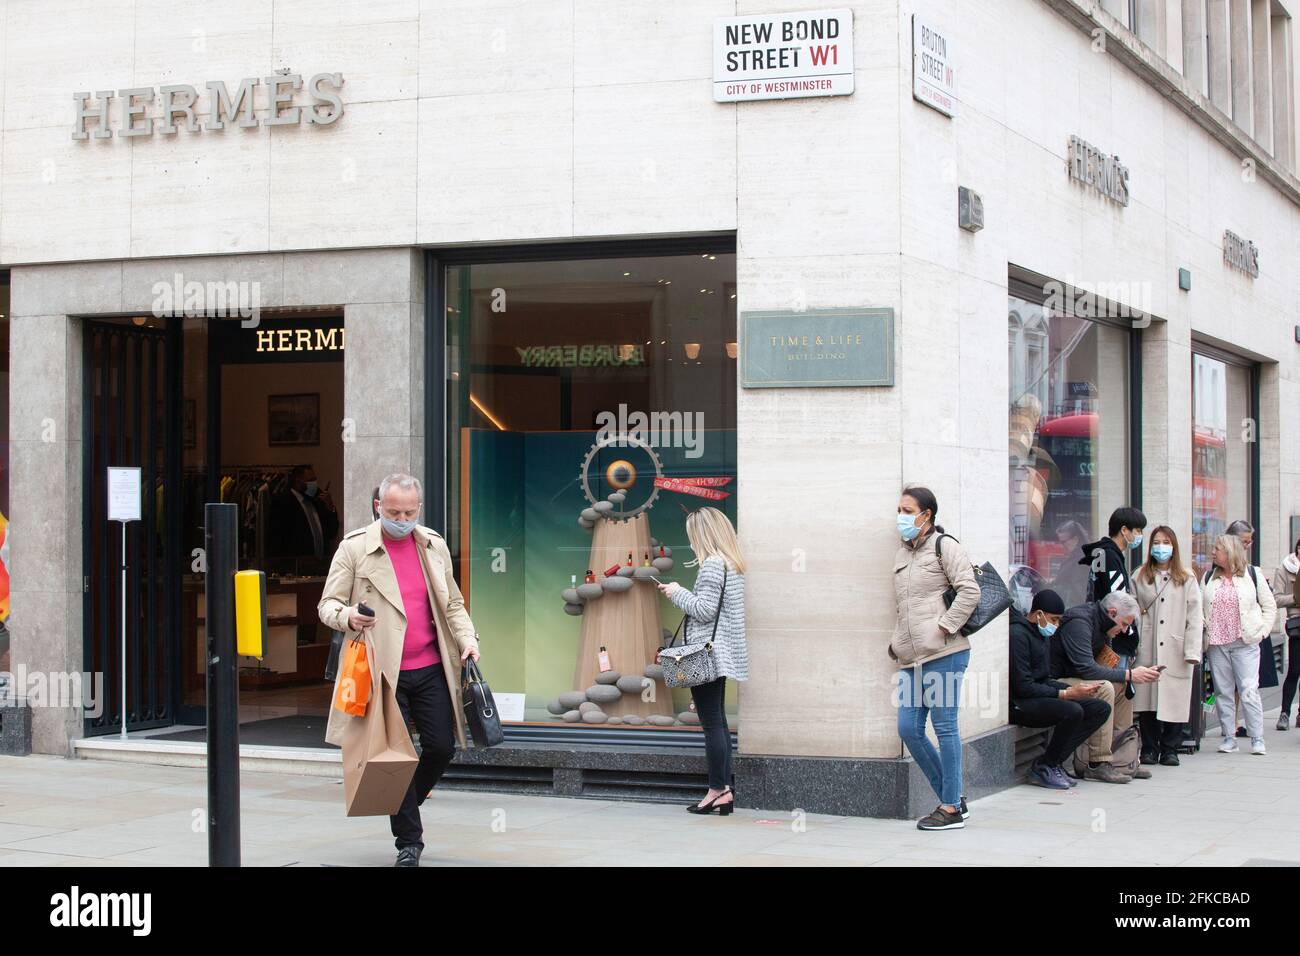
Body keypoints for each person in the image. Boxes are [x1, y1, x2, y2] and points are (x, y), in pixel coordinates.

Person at [318, 473, 481, 867]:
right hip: (380, 672)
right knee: (394, 757)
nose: (402, 518)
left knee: (441, 747)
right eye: (393, 511)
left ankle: (407, 796)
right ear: (379, 506)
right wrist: (349, 615)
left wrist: (468, 640)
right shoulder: (355, 548)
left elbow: (453, 604)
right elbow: (327, 605)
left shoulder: (433, 545)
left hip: (430, 665)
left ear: (418, 509)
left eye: (409, 512)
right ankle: (409, 842)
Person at [890, 487, 981, 830]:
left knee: (944, 728)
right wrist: (896, 642)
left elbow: (970, 590)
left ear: (926, 515)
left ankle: (950, 808)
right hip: (910, 657)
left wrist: (944, 627)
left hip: (945, 653)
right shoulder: (901, 554)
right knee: (908, 729)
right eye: (899, 509)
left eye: (907, 509)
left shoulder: (945, 546)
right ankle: (953, 797)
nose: (901, 515)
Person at [657, 507, 748, 816]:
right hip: (720, 655)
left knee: (711, 725)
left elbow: (705, 610)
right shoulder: (732, 564)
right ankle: (722, 790)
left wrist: (676, 591)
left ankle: (717, 789)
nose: (691, 540)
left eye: (692, 534)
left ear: (702, 534)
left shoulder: (712, 564)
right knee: (718, 723)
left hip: (705, 655)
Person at [1049, 591, 1161, 783]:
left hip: (1076, 677)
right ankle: (1098, 763)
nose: (1125, 630)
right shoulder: (1080, 622)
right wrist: (1130, 673)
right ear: (1112, 612)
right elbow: (1088, 669)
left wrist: (1128, 676)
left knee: (1122, 686)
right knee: (1105, 688)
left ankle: (1123, 759)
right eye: (1124, 624)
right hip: (1055, 681)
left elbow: (1100, 666)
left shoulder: (1103, 625)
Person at [1008, 589, 1110, 790]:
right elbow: (1023, 687)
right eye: (1053, 619)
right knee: (1072, 711)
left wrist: (1075, 689)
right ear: (1039, 615)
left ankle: (1052, 762)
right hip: (1019, 703)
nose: (1055, 625)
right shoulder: (1018, 635)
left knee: (1099, 708)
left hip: (1038, 694)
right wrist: (1064, 694)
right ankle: (1045, 766)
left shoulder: (1042, 635)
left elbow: (1045, 679)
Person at [1132, 527, 1204, 766]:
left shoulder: (1186, 577)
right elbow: (1132, 613)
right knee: (1148, 701)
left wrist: (1193, 650)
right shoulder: (1139, 576)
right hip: (1147, 646)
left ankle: (1171, 748)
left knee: (1175, 697)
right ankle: (1150, 748)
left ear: (1174, 546)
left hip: (1176, 646)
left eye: (1165, 542)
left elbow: (1195, 617)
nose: (1161, 546)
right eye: (1156, 542)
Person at [1202, 533, 1275, 755]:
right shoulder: (1208, 577)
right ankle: (1229, 737)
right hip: (1217, 644)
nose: (1213, 552)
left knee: (1248, 690)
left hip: (1245, 642)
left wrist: (1262, 631)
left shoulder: (1252, 574)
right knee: (1223, 691)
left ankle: (1257, 738)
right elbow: (1199, 609)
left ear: (1230, 552)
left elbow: (1269, 606)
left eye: (1217, 549)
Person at [1225, 519, 1278, 736]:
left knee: (1247, 684)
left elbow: (1269, 604)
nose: (1248, 545)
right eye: (1245, 541)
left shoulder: (1251, 569)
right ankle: (1231, 724)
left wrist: (1264, 629)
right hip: (1227, 633)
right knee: (1227, 685)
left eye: (1249, 542)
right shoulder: (1219, 567)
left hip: (1250, 632)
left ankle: (1248, 727)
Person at [270, 464, 339, 560]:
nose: (314, 483)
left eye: (314, 480)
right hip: (296, 564)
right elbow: (276, 540)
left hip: (320, 564)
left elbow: (332, 532)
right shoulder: (282, 503)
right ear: (298, 481)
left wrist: (330, 507)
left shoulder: (316, 500)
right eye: (310, 480)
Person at [1274, 537, 1300, 730]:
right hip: (1297, 623)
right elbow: (1275, 599)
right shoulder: (1285, 568)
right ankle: (1285, 713)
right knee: (1294, 670)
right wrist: (1296, 598)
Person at [1051, 520, 1091, 607]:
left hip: (1074, 610)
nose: (1061, 545)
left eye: (1063, 542)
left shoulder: (1081, 560)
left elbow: (1077, 591)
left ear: (1075, 539)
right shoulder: (1079, 556)